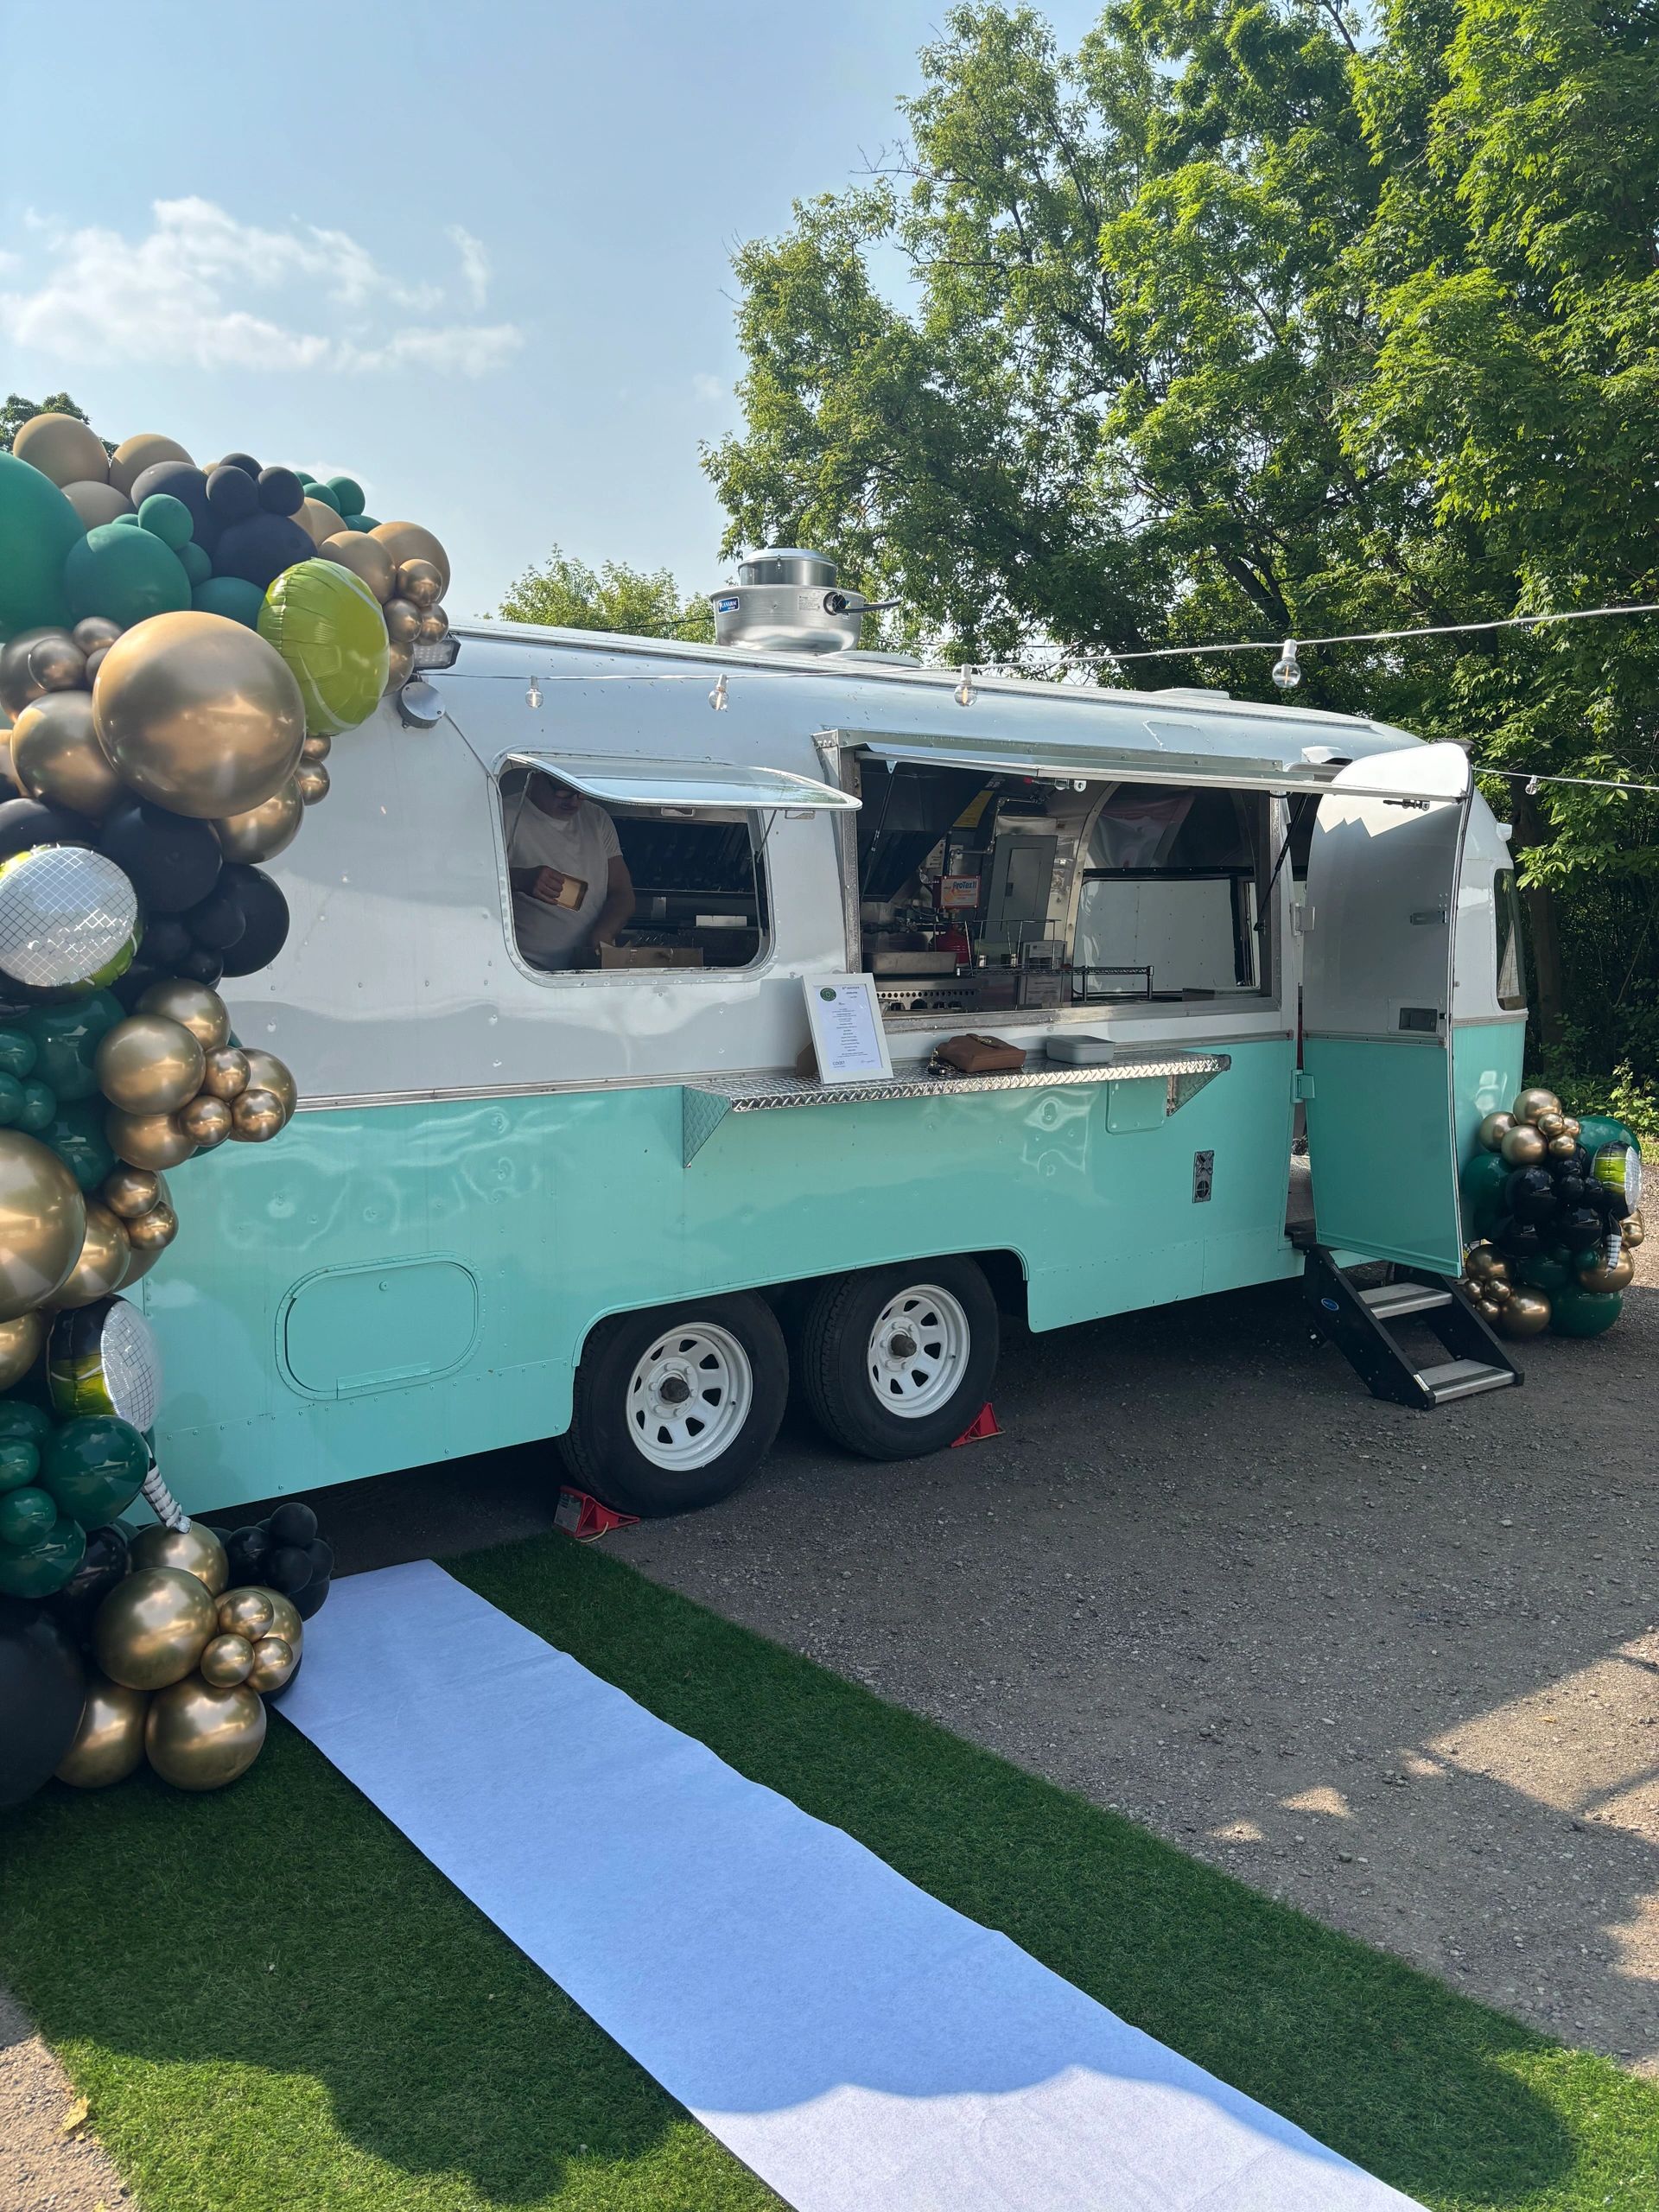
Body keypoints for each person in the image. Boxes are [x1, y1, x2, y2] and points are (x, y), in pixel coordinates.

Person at [505, 771, 636, 970]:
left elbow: (622, 893)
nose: (574, 801)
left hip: (586, 969)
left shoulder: (597, 818)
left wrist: (604, 933)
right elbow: (469, 885)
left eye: (581, 792)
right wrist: (519, 879)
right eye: (564, 791)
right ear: (537, 776)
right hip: (523, 969)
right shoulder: (503, 815)